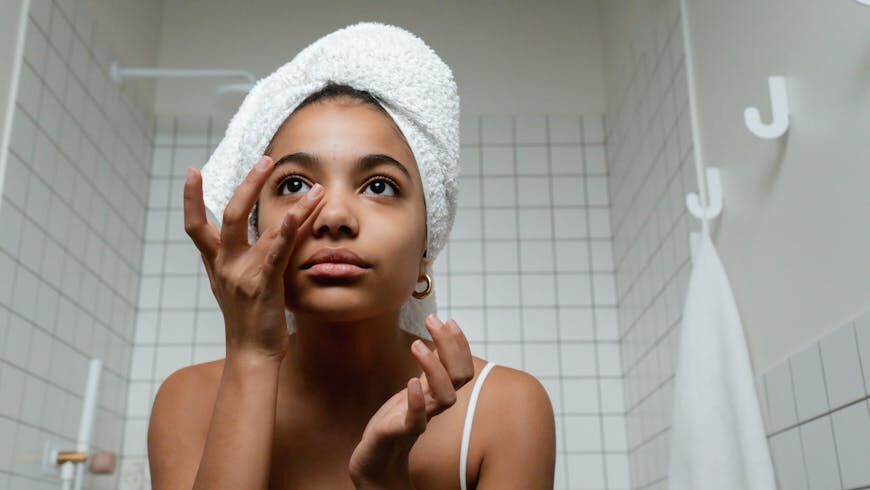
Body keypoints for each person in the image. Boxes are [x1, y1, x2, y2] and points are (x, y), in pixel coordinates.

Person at [147, 26, 555, 490]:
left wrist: (383, 482)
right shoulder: (188, 402)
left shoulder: (504, 409)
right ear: (259, 231)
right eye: (295, 184)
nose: (334, 216)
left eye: (379, 185)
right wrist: (251, 355)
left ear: (428, 242)